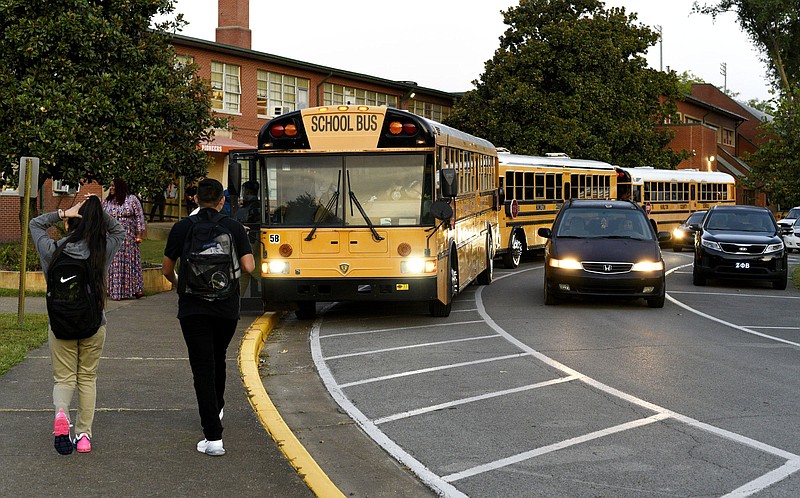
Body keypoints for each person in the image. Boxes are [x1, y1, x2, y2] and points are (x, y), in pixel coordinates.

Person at [161, 178, 255, 456]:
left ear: (196, 200)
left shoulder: (182, 228)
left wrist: (181, 285)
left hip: (192, 309)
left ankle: (213, 437)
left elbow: (167, 269)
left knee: (202, 367)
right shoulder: (234, 227)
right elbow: (248, 266)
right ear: (222, 201)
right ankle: (218, 407)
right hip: (226, 308)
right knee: (218, 357)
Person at [30, 196, 125, 454]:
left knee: (63, 378)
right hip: (94, 323)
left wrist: (64, 212)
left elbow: (35, 224)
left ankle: (62, 413)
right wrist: (94, 211)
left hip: (60, 325)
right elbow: (120, 230)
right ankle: (84, 436)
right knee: (87, 377)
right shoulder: (101, 249)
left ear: (71, 222)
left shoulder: (53, 250)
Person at [102, 178, 146, 300]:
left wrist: (139, 235)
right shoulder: (107, 202)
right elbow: (100, 216)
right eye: (110, 186)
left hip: (128, 239)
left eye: (113, 186)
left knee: (130, 264)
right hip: (111, 238)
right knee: (114, 264)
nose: (111, 188)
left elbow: (139, 217)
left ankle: (135, 288)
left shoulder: (132, 200)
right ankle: (114, 290)